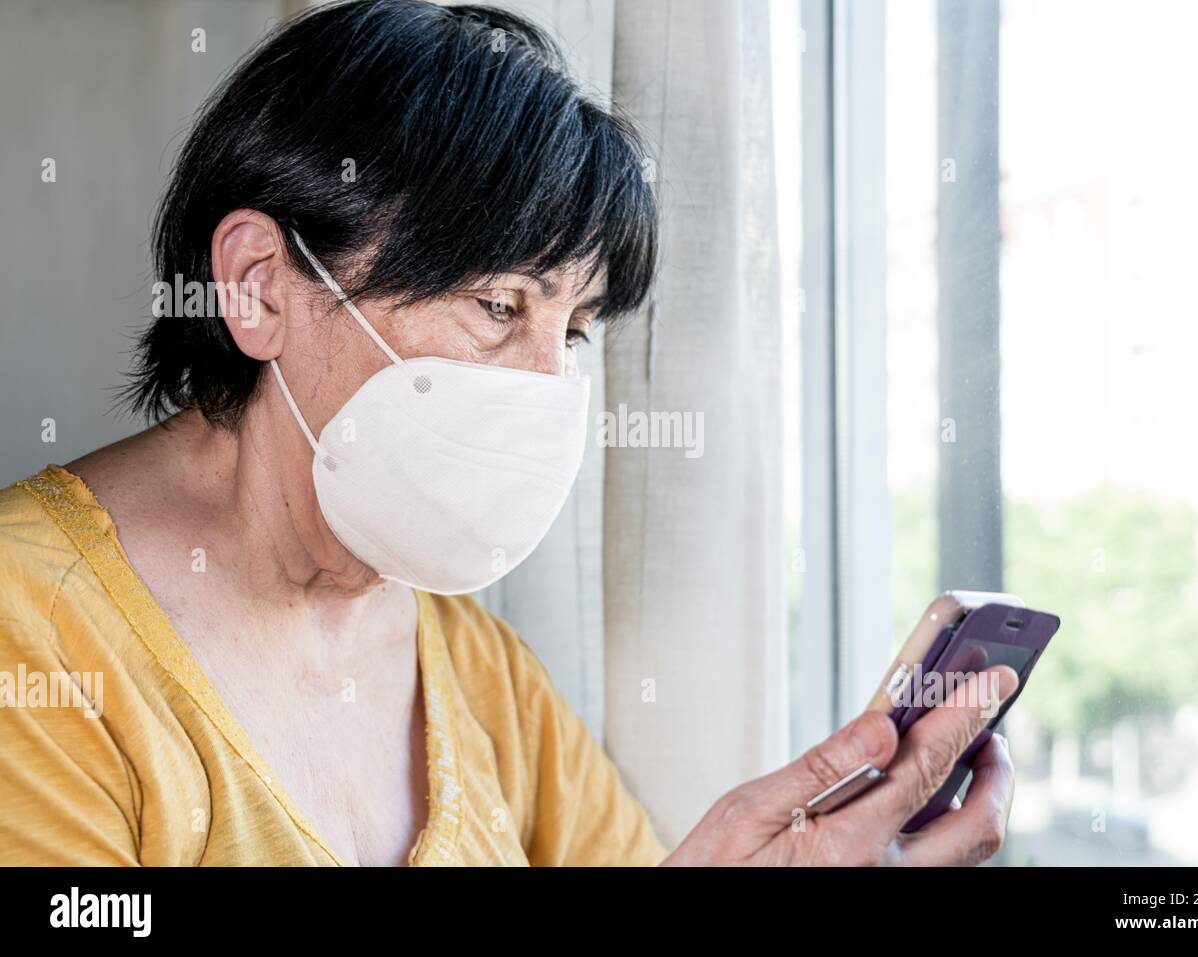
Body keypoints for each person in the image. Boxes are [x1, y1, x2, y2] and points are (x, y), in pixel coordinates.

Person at [0, 0, 1016, 866]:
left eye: (572, 329)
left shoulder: (480, 672)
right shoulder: (31, 632)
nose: (549, 385)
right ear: (261, 285)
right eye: (497, 306)